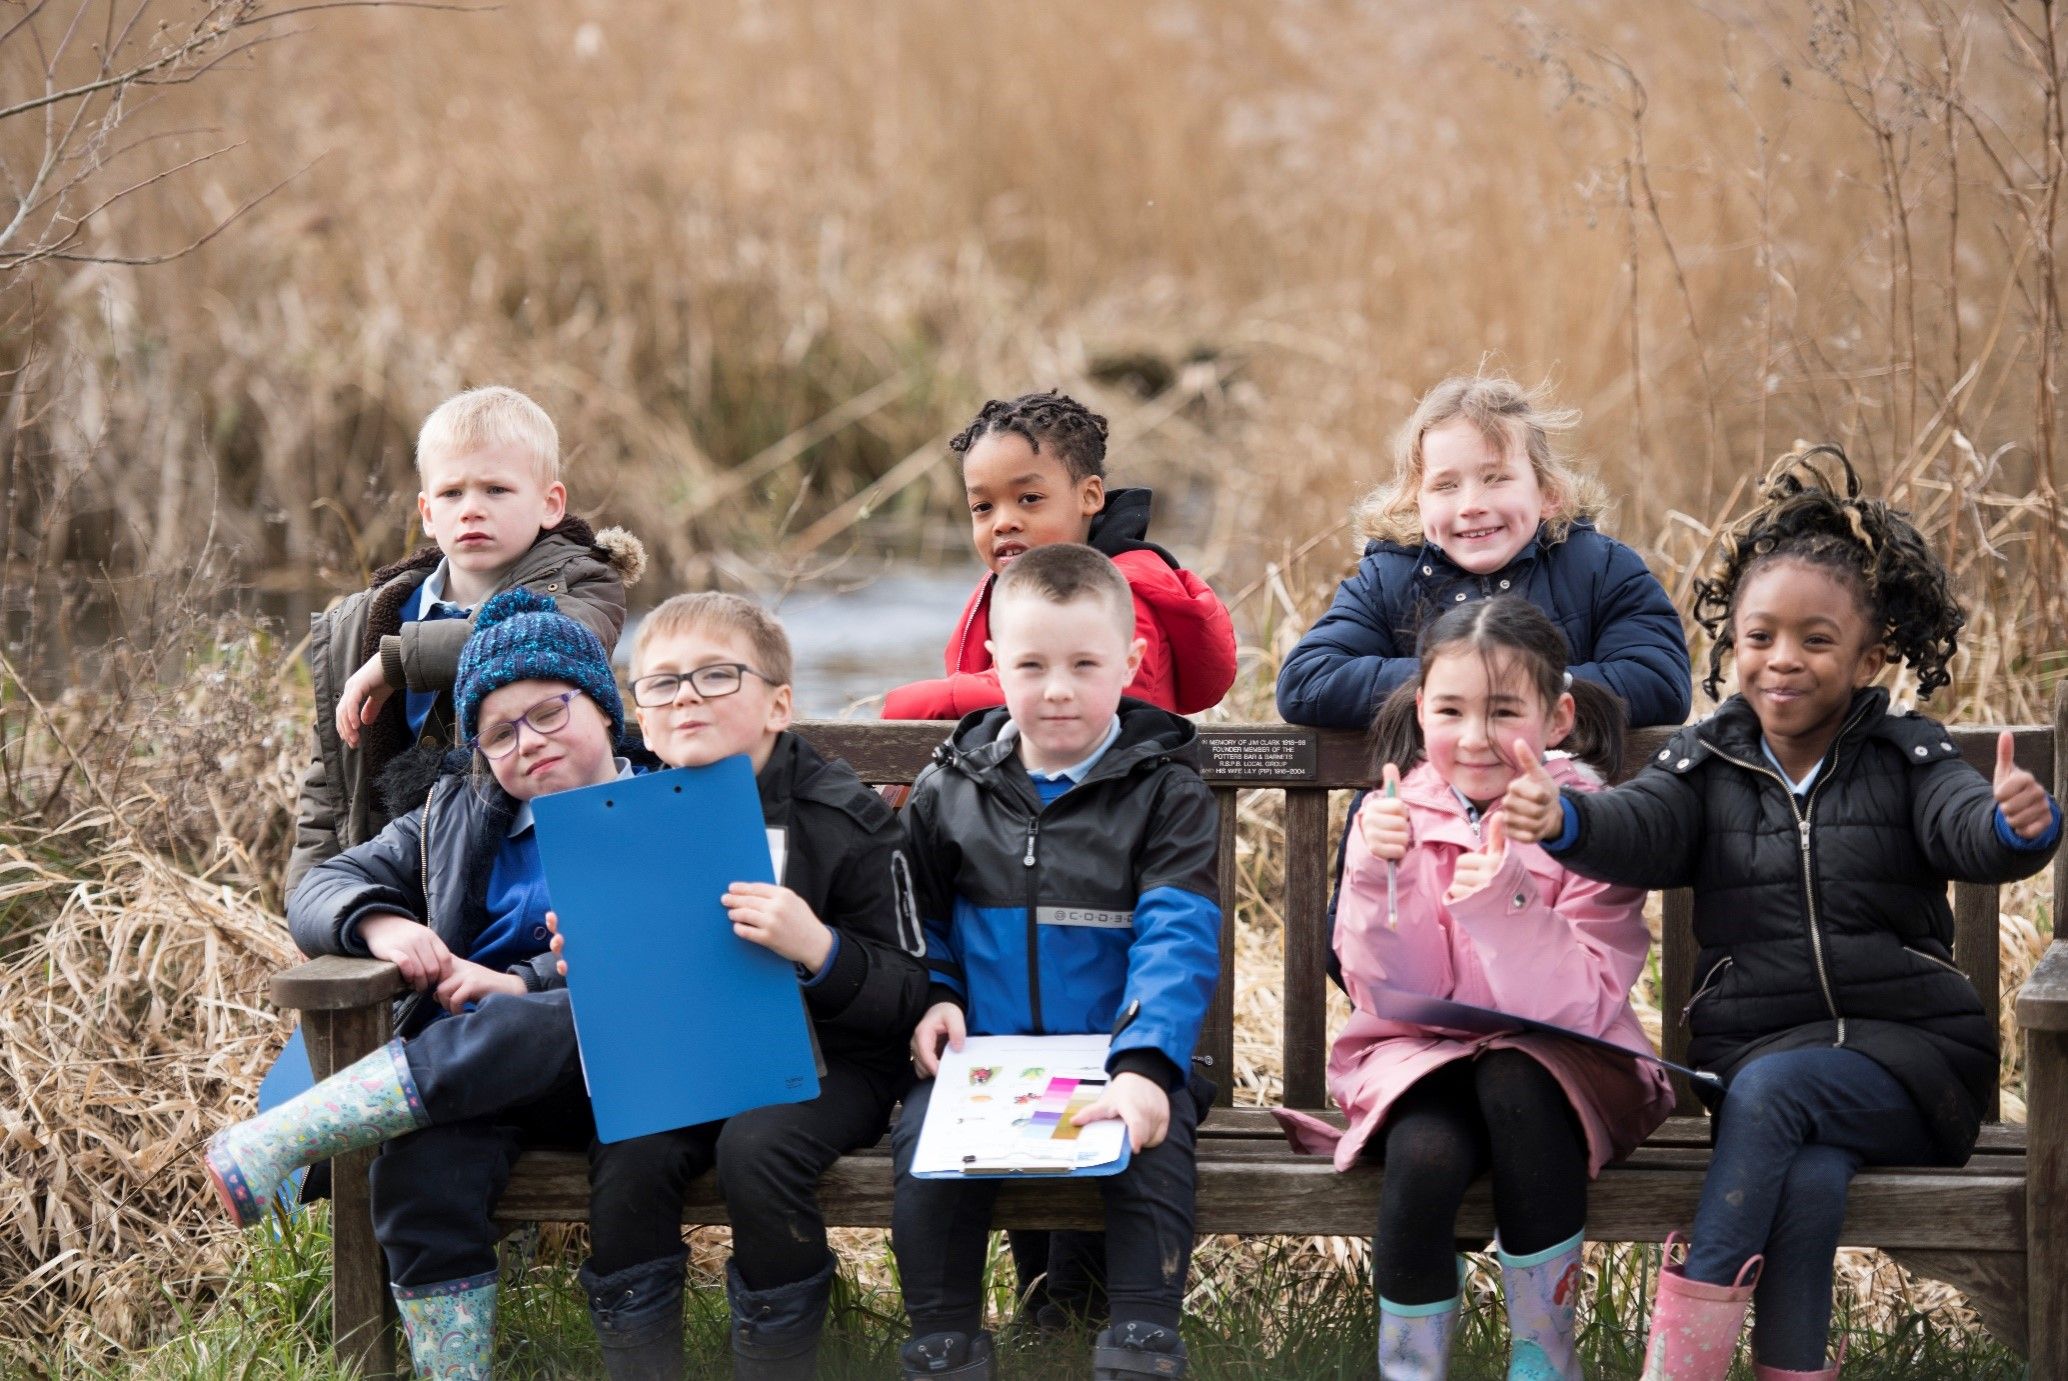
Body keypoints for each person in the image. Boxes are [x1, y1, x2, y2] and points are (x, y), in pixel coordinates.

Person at [1499, 447, 2062, 1380]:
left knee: (1776, 1096)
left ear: (1870, 655)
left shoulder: (1906, 755)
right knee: (1805, 1173)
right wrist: (1567, 819)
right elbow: (1637, 828)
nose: (1782, 661)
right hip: (1766, 1065)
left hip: (1915, 1069)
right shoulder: (1704, 764)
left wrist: (2014, 827)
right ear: (1733, 646)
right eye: (1760, 637)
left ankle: (1677, 1370)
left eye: (1815, 639)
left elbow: (1969, 828)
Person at [206, 589, 641, 1381]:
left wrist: (520, 981)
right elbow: (318, 888)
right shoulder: (456, 814)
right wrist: (380, 923)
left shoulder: (661, 804)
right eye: (499, 732)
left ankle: (293, 1133)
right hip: (486, 1081)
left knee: (543, 1015)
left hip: (627, 1067)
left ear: (604, 709)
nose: (528, 743)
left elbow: (659, 952)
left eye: (549, 713)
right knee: (417, 1169)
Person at [1275, 597, 1672, 1380]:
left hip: (1562, 1065)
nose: (1477, 735)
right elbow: (1383, 990)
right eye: (1451, 709)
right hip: (1422, 1058)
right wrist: (1373, 872)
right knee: (1422, 1154)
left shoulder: (1588, 822)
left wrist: (1506, 903)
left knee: (1512, 1077)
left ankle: (1543, 1362)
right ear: (1422, 711)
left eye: (1503, 710)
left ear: (1556, 716)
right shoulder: (1396, 813)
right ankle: (1411, 1369)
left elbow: (1586, 1002)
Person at [563, 593, 930, 1380]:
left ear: (778, 703)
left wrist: (821, 949)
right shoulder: (622, 820)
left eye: (716, 675)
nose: (685, 694)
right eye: (660, 683)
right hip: (697, 1054)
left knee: (756, 1147)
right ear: (644, 719)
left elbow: (909, 989)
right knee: (628, 1148)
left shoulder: (848, 818)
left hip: (833, 1062)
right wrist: (593, 958)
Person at [892, 543, 1220, 1380]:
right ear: (995, 664)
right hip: (988, 1056)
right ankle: (943, 1340)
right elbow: (918, 918)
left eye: (1084, 663)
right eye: (1032, 664)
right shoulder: (953, 786)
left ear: (1132, 664)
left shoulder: (1163, 790)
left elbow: (1176, 937)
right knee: (925, 1143)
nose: (1059, 688)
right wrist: (935, 994)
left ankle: (1143, 1338)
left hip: (1117, 1051)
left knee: (1152, 1136)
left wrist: (1145, 1064)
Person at [286, 384, 645, 895]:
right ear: (427, 513)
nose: (471, 508)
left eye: (496, 490)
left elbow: (541, 640)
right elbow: (331, 788)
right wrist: (312, 899)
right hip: (397, 875)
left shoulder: (581, 587)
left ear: (550, 504)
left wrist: (399, 662)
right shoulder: (363, 621)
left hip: (515, 878)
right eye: (452, 493)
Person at [1275, 368, 1689, 731]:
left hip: (1565, 807)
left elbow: (1659, 681)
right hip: (1425, 814)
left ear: (1549, 493)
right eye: (1446, 485)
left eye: (1495, 478)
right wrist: (1456, 681)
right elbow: (1306, 682)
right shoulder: (1388, 579)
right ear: (1416, 503)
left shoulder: (1601, 568)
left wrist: (1521, 683)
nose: (1471, 505)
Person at [883, 389, 1236, 722]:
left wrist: (938, 700)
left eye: (1030, 499)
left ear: (1089, 496)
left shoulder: (1121, 595)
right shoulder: (1009, 591)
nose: (1002, 523)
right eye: (983, 506)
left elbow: (1095, 695)